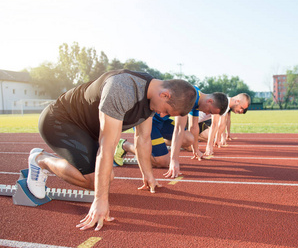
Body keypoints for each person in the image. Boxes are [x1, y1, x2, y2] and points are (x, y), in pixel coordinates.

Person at [27, 69, 196, 231]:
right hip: (60, 121)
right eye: (166, 111)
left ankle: (50, 161)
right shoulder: (122, 88)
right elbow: (107, 147)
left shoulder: (152, 97)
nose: (163, 115)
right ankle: (40, 160)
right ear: (165, 94)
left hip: (87, 130)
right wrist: (100, 200)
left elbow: (143, 138)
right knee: (95, 182)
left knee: (106, 178)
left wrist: (148, 175)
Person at [114, 88, 228, 178]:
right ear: (210, 101)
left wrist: (196, 150)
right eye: (210, 111)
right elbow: (179, 128)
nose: (207, 113)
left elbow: (193, 127)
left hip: (162, 121)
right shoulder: (188, 97)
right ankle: (124, 146)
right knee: (163, 162)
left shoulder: (197, 98)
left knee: (189, 138)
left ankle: (156, 144)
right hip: (149, 120)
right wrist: (174, 160)